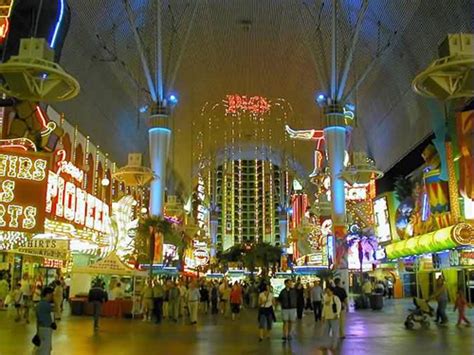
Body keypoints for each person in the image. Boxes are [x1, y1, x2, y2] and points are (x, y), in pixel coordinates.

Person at [35, 287, 57, 355]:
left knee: (42, 347)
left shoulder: (39, 304)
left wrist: (37, 331)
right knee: (46, 348)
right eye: (51, 295)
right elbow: (54, 311)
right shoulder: (46, 305)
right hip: (47, 329)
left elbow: (37, 320)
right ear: (47, 294)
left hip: (41, 328)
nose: (52, 297)